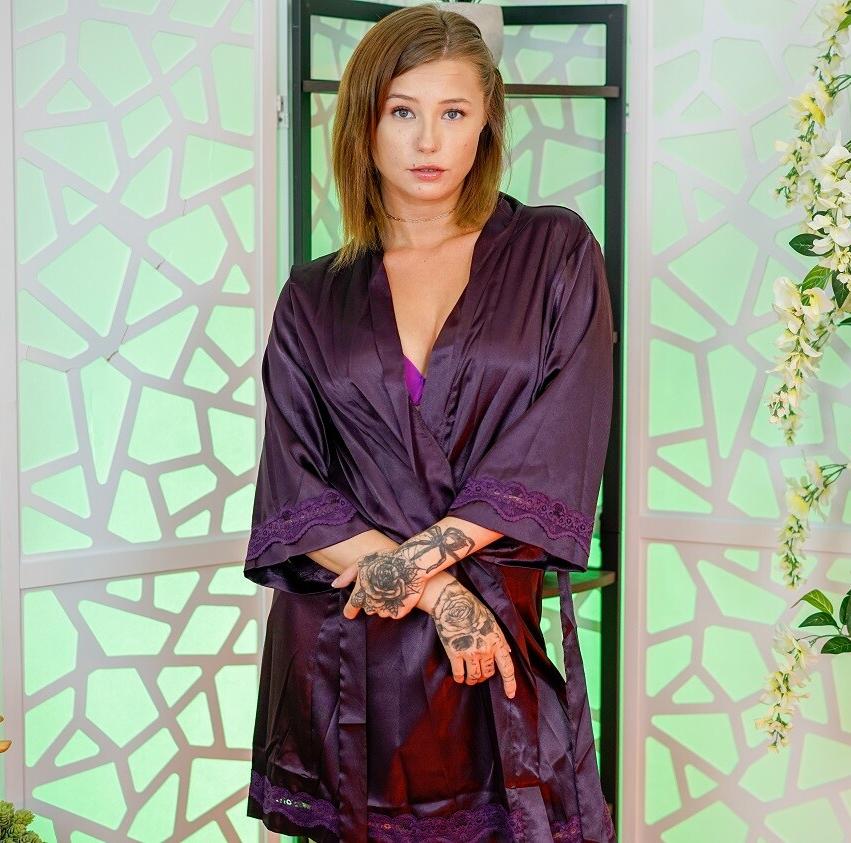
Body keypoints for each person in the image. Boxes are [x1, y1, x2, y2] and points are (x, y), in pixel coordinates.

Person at [241, 5, 616, 843]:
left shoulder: (555, 251)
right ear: (363, 124)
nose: (428, 141)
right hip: (349, 650)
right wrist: (439, 591)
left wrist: (422, 570)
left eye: (453, 112)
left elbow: (559, 442)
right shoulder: (314, 294)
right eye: (402, 112)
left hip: (488, 643)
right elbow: (294, 486)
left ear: (486, 122)